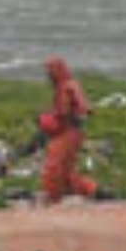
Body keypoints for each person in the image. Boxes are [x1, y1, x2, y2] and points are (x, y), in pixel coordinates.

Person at [37, 56, 101, 203]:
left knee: (53, 166)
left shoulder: (68, 86)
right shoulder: (67, 85)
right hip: (69, 132)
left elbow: (80, 109)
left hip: (67, 133)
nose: (47, 76)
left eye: (49, 71)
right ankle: (95, 191)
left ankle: (52, 197)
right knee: (66, 171)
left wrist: (48, 119)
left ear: (56, 71)